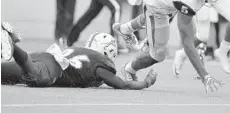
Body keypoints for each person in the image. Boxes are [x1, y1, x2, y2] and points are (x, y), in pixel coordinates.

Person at [1, 22, 156, 89]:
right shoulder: (100, 63)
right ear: (107, 52)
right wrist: (146, 83)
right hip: (54, 68)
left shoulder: (79, 50)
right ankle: (12, 43)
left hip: (44, 56)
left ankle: (13, 42)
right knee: (38, 78)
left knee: (6, 73)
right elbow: (123, 85)